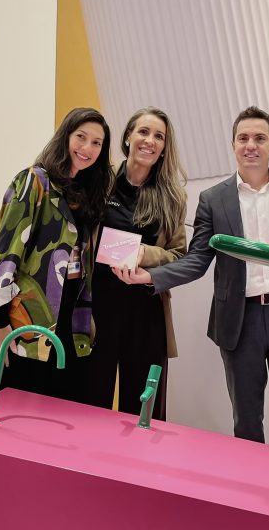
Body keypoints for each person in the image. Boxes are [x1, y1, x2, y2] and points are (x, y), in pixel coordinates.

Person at [116, 106, 269, 453]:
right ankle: (251, 485)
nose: (251, 145)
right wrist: (152, 276)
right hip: (239, 322)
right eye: (243, 138)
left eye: (260, 138)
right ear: (233, 145)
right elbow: (197, 260)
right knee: (246, 420)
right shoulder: (213, 199)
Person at [0, 107, 113, 402]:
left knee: (55, 413)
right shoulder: (34, 181)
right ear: (65, 137)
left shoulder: (85, 194)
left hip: (69, 319)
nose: (87, 148)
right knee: (14, 410)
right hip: (23, 321)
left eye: (96, 142)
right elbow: (5, 254)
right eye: (81, 137)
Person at [88, 106, 188, 420]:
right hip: (98, 308)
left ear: (164, 147)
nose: (150, 140)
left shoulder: (172, 197)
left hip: (146, 312)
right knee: (91, 404)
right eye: (143, 131)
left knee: (144, 412)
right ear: (128, 136)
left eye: (159, 136)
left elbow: (179, 256)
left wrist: (146, 254)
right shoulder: (100, 183)